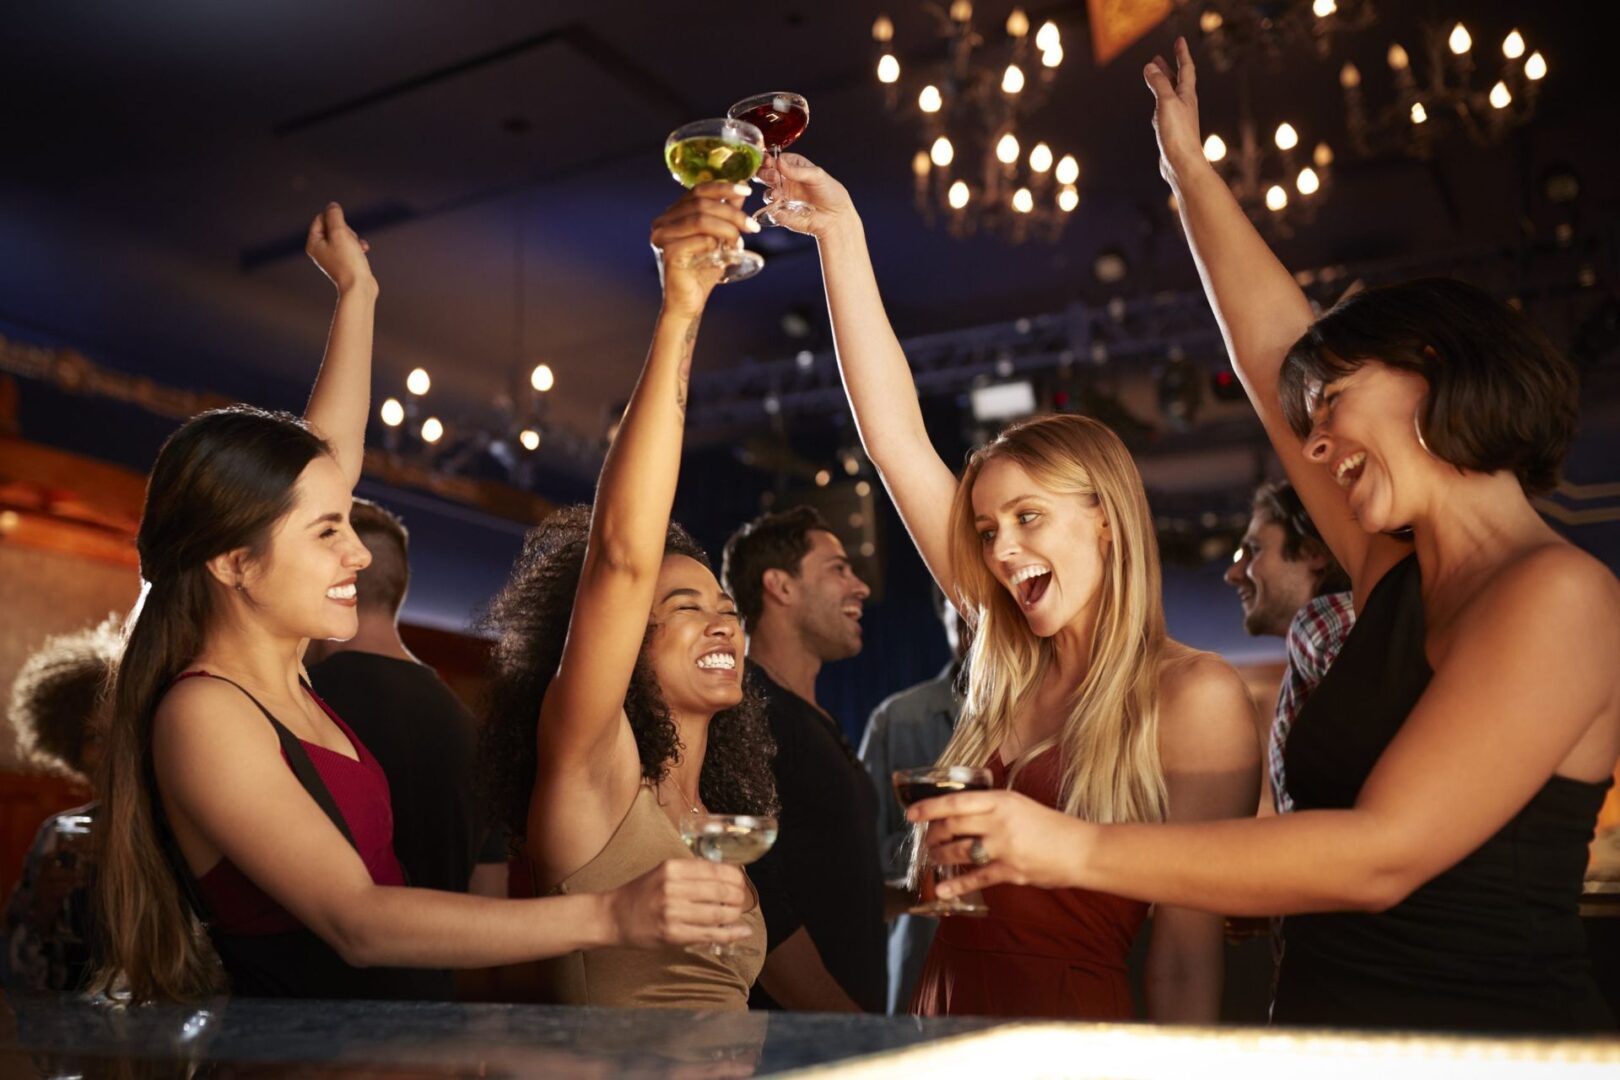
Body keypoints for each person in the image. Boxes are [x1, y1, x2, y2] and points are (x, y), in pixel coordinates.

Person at [907, 39, 1620, 1034]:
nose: (1314, 444)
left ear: (1428, 367)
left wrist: (1067, 847)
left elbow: (1383, 854)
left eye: (1331, 406)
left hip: (1479, 1049)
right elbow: (1268, 355)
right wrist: (1189, 173)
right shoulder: (1399, 575)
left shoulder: (1561, 594)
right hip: (1330, 1034)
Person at [91, 202, 751, 1004]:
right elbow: (358, 922)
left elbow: (325, 464)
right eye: (328, 533)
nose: (358, 553)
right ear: (234, 563)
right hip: (302, 1060)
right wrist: (609, 915)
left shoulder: (279, 676)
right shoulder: (203, 714)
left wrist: (357, 293)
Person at [757, 155, 1260, 1022]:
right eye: (987, 530)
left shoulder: (1195, 694)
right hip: (940, 1017)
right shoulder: (1005, 651)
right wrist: (840, 232)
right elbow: (895, 441)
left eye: (1028, 517)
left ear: (1105, 521)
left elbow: (1186, 961)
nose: (1000, 552)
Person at [478, 182, 778, 1010]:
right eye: (684, 607)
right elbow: (619, 559)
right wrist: (681, 311)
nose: (721, 620)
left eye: (724, 607)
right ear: (623, 647)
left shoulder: (722, 817)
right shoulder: (594, 771)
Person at [720, 506, 884, 1013]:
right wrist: (844, 1025)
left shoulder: (810, 715)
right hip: (800, 1041)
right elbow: (755, 899)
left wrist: (911, 896)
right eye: (839, 569)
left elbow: (820, 882)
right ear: (781, 586)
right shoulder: (747, 712)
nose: (861, 587)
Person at [307, 498, 509, 901]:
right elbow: (490, 898)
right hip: (439, 942)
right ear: (397, 590)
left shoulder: (303, 702)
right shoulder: (474, 732)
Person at [857, 587, 968, 1014]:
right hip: (922, 969)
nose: (976, 629)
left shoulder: (1058, 716)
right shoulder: (896, 719)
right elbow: (861, 856)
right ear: (942, 615)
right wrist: (941, 852)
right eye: (962, 616)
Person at [2, 617, 120, 994]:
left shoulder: (178, 831)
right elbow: (12, 976)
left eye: (122, 733)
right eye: (93, 738)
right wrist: (42, 910)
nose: (112, 752)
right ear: (74, 755)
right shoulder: (57, 836)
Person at [1226, 480, 1357, 812]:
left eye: (1253, 550)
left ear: (1313, 553)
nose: (1233, 573)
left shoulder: (1323, 621)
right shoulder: (1318, 642)